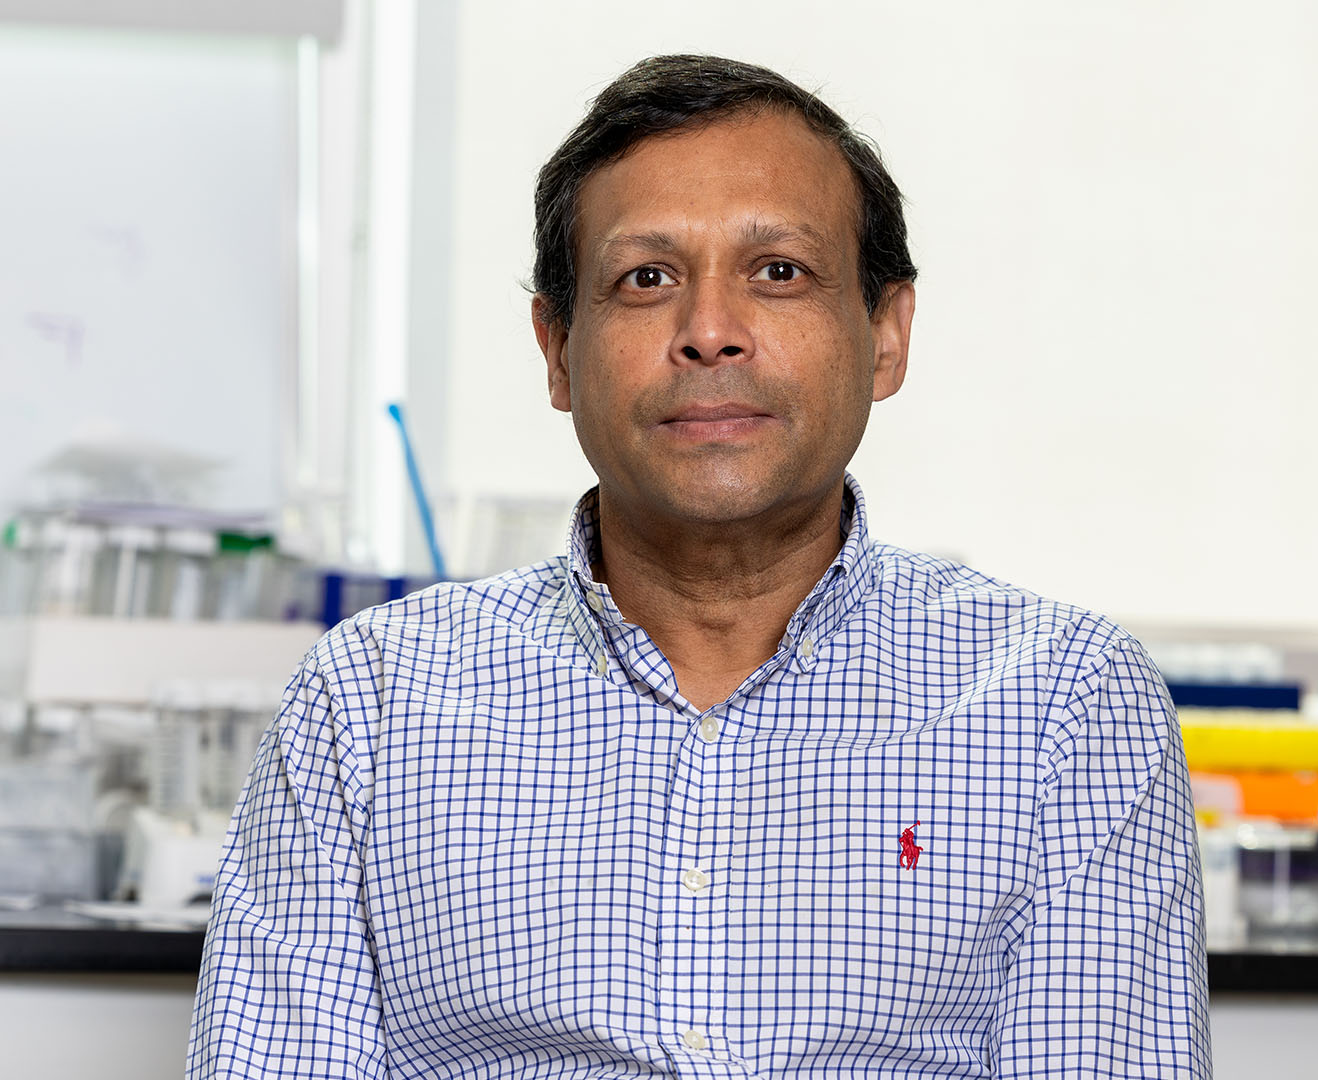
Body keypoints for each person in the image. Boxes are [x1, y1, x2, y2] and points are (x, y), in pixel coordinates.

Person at [189, 54, 1211, 1078]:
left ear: (887, 332)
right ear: (556, 349)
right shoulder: (369, 702)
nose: (710, 333)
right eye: (647, 279)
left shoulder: (1062, 701)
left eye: (779, 272)